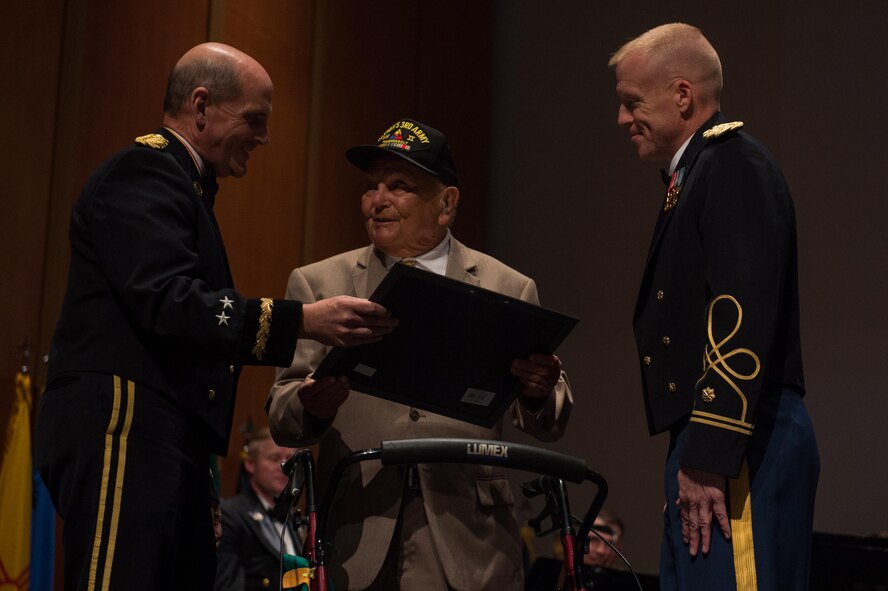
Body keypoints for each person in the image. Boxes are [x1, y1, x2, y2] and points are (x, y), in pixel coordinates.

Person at [33, 42, 396, 591]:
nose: (264, 137)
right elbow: (173, 305)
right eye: (254, 119)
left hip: (163, 438)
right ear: (201, 107)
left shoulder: (186, 187)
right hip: (124, 428)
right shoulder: (144, 172)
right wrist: (303, 320)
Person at [266, 118, 573, 590]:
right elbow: (282, 413)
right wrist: (310, 406)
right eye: (372, 187)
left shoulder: (506, 286)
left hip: (472, 542)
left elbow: (547, 421)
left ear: (446, 204)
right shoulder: (318, 283)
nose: (378, 200)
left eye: (399, 186)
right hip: (355, 535)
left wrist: (537, 391)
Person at [609, 23, 819, 590]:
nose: (623, 120)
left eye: (632, 103)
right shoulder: (699, 170)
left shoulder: (731, 165)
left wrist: (710, 450)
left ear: (682, 95)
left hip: (740, 437)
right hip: (716, 442)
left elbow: (741, 311)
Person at [216, 427, 301, 591]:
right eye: (274, 458)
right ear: (250, 463)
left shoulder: (293, 518)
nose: (284, 467)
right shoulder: (230, 514)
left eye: (290, 460)